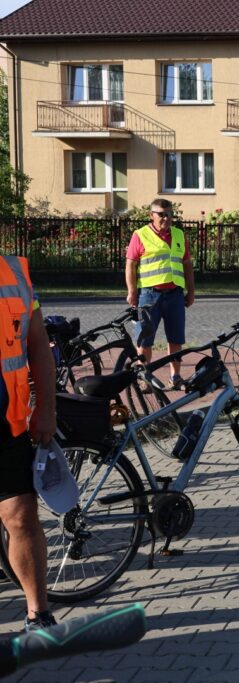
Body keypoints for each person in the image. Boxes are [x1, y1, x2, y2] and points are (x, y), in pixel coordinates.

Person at [0, 255, 58, 630]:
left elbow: (38, 345)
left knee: (21, 516)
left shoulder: (16, 272)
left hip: (7, 421)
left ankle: (39, 613)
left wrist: (46, 409)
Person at [125, 199, 196, 387]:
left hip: (174, 295)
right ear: (151, 215)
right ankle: (145, 378)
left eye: (169, 214)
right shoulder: (140, 235)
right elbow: (131, 264)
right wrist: (132, 291)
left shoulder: (179, 235)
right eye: (161, 214)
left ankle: (175, 377)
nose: (166, 218)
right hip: (149, 295)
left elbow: (187, 265)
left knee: (176, 338)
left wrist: (191, 292)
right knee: (145, 339)